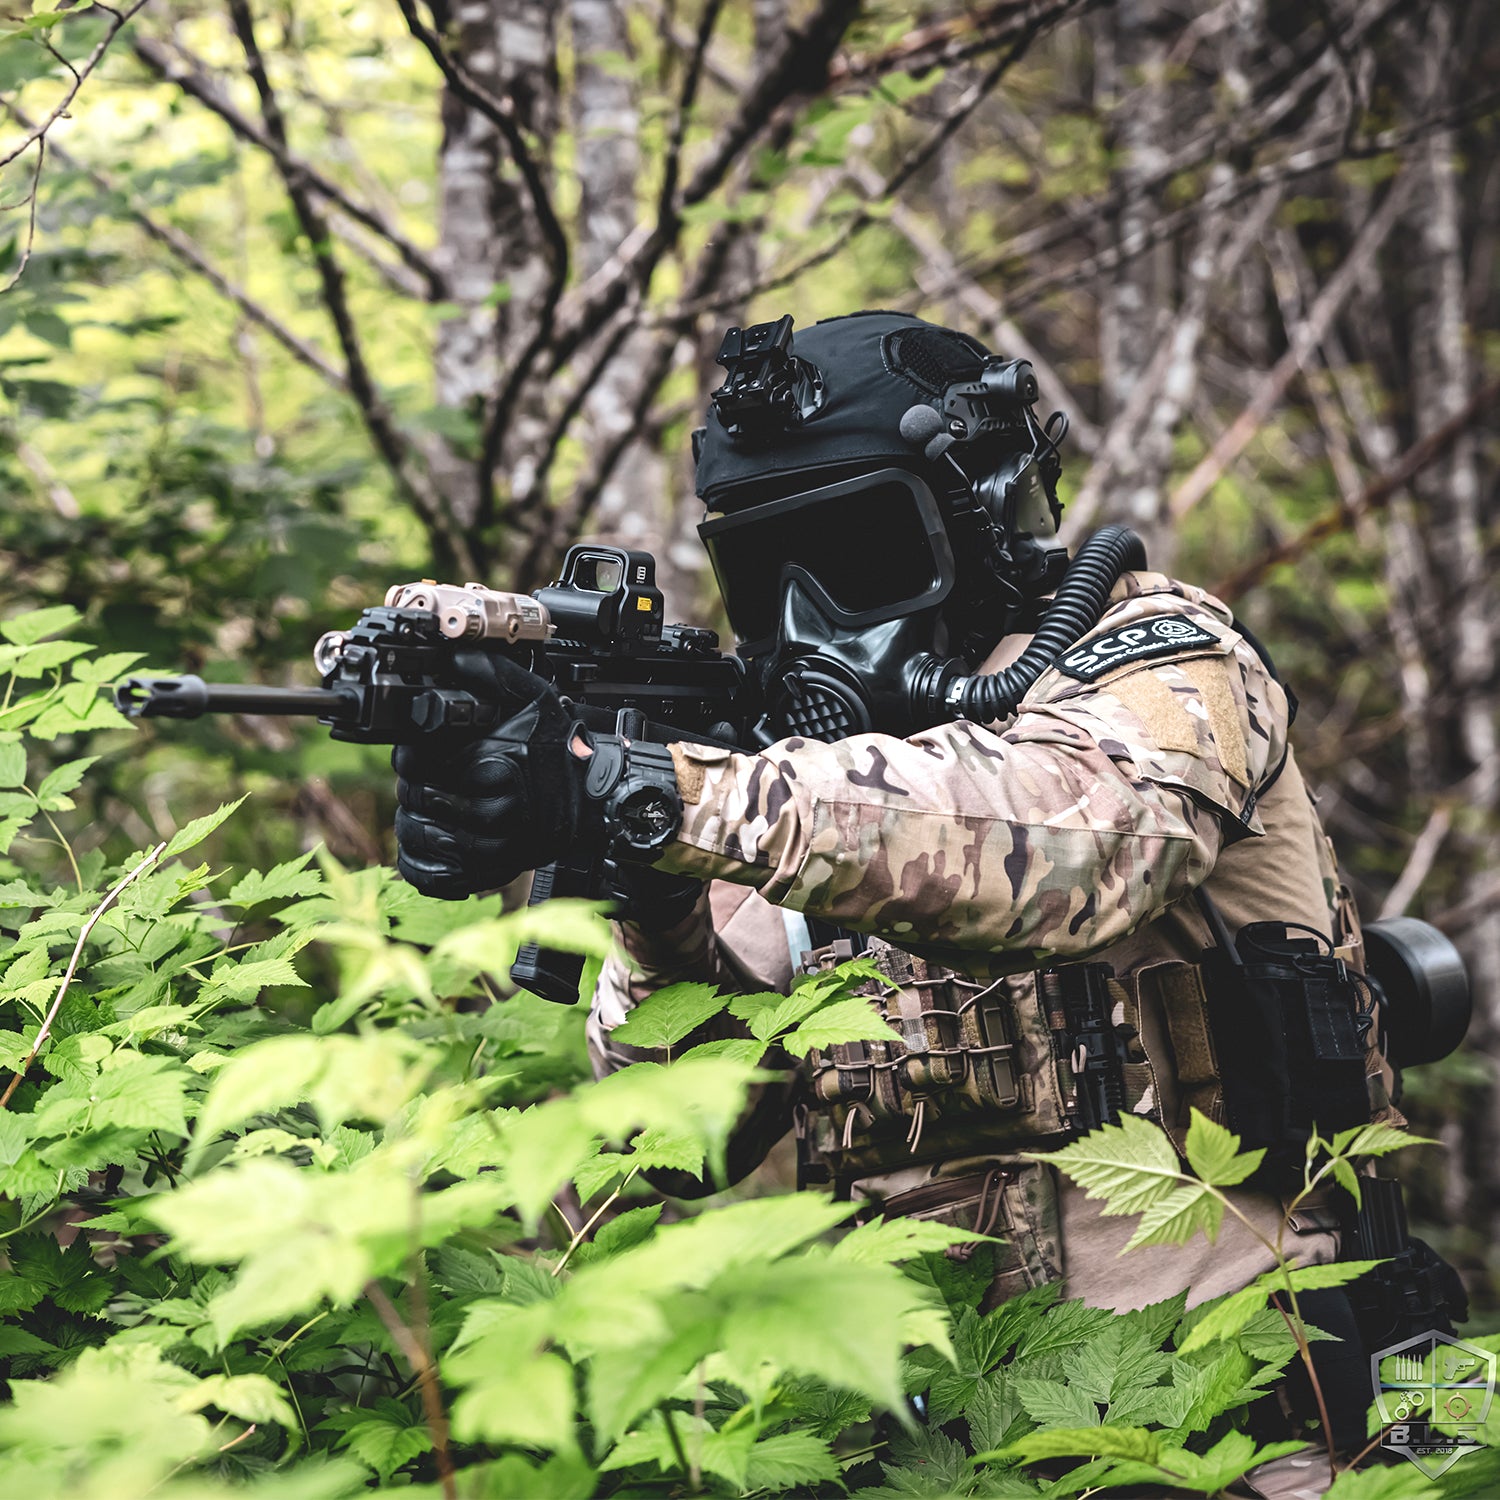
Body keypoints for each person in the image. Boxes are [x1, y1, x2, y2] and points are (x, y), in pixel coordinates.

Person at [391, 311, 1453, 1489]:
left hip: (1256, 1425)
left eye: (855, 552)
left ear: (982, 515)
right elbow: (664, 1147)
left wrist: (664, 795)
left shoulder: (1166, 659)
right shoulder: (771, 772)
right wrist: (652, 895)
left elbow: (1070, 851)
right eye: (766, 570)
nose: (810, 617)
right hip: (938, 1447)